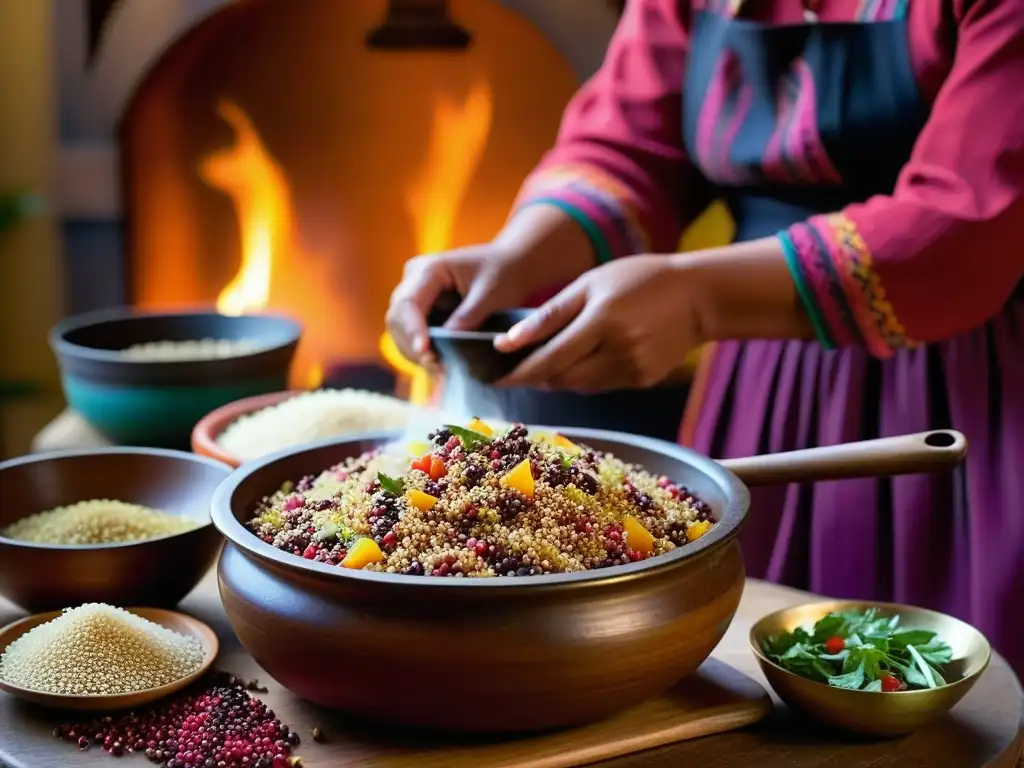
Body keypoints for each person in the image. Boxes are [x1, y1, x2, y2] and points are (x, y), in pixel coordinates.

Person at [386, 0, 1024, 674]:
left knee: (950, 686)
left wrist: (696, 301)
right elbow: (629, 144)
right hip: (761, 386)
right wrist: (515, 257)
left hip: (971, 386)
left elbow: (966, 229)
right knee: (751, 673)